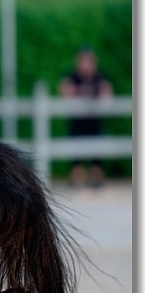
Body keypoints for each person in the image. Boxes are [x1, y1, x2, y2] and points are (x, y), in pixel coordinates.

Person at [58, 47, 113, 188]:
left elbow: (107, 96)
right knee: (75, 151)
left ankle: (96, 178)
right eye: (83, 61)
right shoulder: (72, 77)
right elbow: (65, 92)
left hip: (95, 122)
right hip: (77, 122)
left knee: (97, 151)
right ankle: (77, 178)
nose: (86, 64)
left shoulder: (101, 77)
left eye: (89, 61)